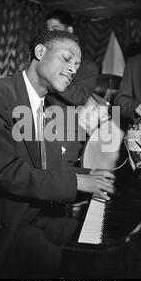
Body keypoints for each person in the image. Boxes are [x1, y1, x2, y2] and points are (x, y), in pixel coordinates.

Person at [0, 29, 115, 278]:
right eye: (67, 59)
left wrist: (93, 174)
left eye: (76, 65)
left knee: (101, 241)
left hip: (33, 216)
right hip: (2, 223)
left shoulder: (52, 107)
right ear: (40, 52)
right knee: (64, 265)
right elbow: (9, 173)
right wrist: (79, 181)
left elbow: (50, 169)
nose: (73, 69)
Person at [45, 9, 99, 166]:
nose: (49, 35)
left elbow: (79, 97)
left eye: (54, 30)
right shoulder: (45, 61)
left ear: (69, 31)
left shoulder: (87, 66)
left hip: (65, 135)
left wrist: (50, 78)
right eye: (47, 31)